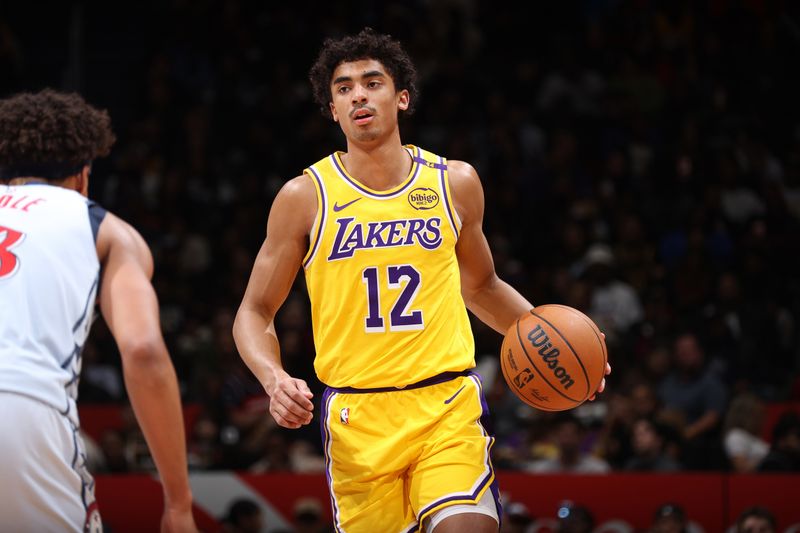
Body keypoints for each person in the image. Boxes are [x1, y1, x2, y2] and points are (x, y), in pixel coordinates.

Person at [232, 28, 610, 533]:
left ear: (402, 97)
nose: (358, 95)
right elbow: (254, 310)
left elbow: (481, 286)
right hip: (357, 418)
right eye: (343, 88)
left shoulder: (453, 182)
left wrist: (556, 342)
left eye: (372, 82)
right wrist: (273, 378)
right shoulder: (305, 196)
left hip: (444, 404)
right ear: (332, 109)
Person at [0, 89, 197, 532]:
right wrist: (179, 503)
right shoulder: (103, 227)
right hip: (24, 409)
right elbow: (143, 349)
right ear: (83, 176)